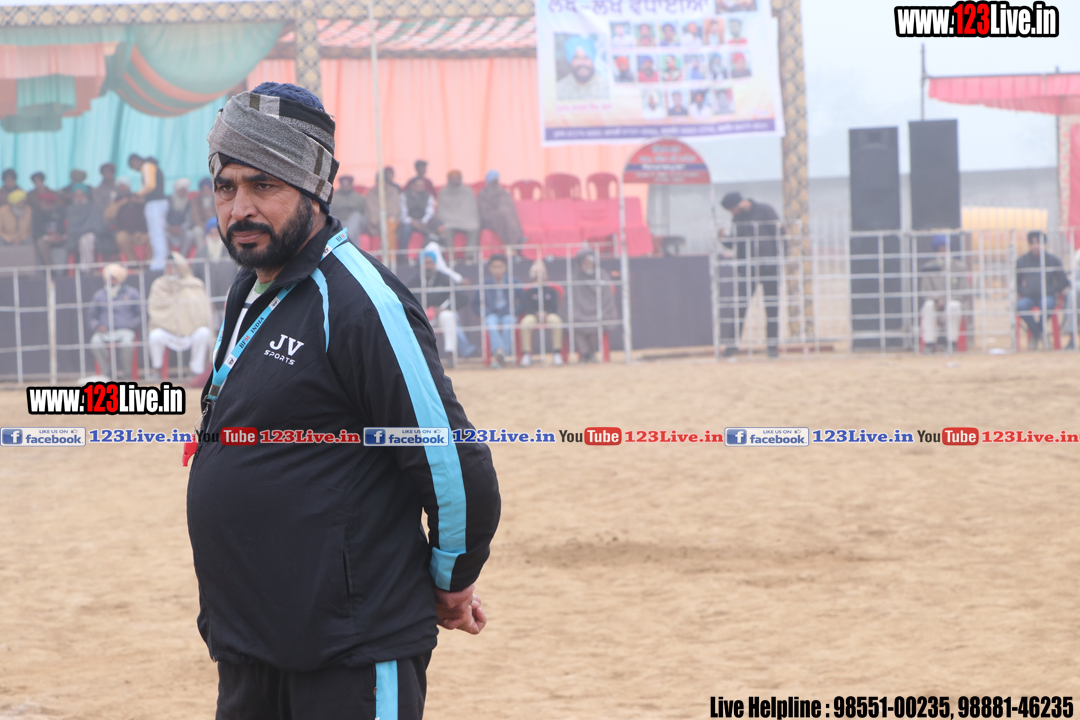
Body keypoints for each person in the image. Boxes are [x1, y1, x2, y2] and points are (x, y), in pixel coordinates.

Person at [192, 82, 499, 719]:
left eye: (264, 185)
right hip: (250, 644)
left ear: (315, 188)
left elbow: (452, 463)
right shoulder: (250, 288)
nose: (240, 208)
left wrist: (452, 582)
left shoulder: (362, 303)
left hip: (349, 651)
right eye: (226, 187)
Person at [720, 191, 781, 358]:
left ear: (738, 204)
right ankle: (732, 346)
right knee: (740, 307)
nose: (732, 213)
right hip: (747, 269)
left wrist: (780, 258)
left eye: (731, 209)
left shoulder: (765, 210)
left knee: (772, 308)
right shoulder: (737, 218)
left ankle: (772, 347)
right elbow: (734, 243)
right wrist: (723, 238)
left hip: (769, 267)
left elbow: (779, 234)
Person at [147, 251, 213, 377]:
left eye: (173, 267)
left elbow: (202, 311)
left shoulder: (194, 285)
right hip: (168, 331)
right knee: (155, 336)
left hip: (191, 331)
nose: (169, 270)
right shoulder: (159, 285)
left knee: (204, 333)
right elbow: (155, 310)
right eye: (167, 266)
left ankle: (196, 371)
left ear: (181, 268)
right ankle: (156, 369)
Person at [407, 242, 474, 364]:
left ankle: (450, 355)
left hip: (440, 315)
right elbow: (406, 300)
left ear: (435, 264)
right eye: (425, 263)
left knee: (448, 316)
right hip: (422, 316)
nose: (428, 266)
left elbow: (462, 298)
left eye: (431, 263)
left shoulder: (443, 278)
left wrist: (445, 308)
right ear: (420, 264)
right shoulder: (414, 281)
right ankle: (421, 359)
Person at [86, 263, 142, 379]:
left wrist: (131, 325)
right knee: (95, 342)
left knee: (127, 344)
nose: (111, 280)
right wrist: (97, 326)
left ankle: (127, 374)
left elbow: (141, 314)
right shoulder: (100, 295)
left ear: (120, 278)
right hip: (105, 331)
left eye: (114, 278)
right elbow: (91, 316)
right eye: (109, 278)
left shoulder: (131, 293)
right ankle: (107, 374)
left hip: (125, 330)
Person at [1016, 230, 1070, 349]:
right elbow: (1016, 283)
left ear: (1043, 244)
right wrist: (1024, 291)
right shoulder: (1022, 261)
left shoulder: (1053, 260)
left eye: (1038, 243)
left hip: (1048, 295)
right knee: (1020, 306)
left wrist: (1051, 290)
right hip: (1029, 296)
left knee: (1047, 304)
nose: (1035, 246)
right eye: (1032, 243)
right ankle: (1039, 334)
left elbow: (1064, 281)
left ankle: (1036, 334)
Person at [918, 235, 969, 353]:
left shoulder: (960, 267)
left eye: (945, 249)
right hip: (936, 303)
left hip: (953, 303)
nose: (943, 252)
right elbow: (925, 291)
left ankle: (951, 343)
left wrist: (946, 300)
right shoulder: (929, 267)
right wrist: (937, 300)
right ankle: (929, 344)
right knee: (928, 306)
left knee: (953, 306)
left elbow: (964, 291)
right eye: (940, 249)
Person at [472, 253, 520, 368]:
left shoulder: (513, 282)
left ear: (505, 267)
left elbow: (523, 301)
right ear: (490, 268)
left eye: (500, 267)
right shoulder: (484, 283)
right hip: (491, 313)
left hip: (508, 313)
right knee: (490, 322)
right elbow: (474, 303)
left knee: (509, 322)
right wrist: (484, 313)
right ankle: (502, 353)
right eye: (495, 267)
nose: (497, 270)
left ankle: (500, 353)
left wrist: (514, 311)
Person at [571, 249, 617, 362]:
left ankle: (591, 353)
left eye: (590, 261)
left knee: (596, 325)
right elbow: (572, 299)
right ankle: (586, 354)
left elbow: (607, 299)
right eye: (584, 262)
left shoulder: (602, 275)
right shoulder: (576, 277)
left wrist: (602, 312)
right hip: (581, 313)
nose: (587, 264)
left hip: (600, 311)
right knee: (575, 324)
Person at [519, 260, 564, 367]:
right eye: (536, 275)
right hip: (533, 315)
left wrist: (546, 313)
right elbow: (527, 307)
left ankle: (557, 353)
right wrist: (536, 313)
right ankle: (526, 354)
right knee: (525, 323)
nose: (538, 278)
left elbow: (554, 306)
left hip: (549, 315)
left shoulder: (552, 290)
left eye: (541, 275)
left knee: (556, 321)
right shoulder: (528, 291)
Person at [128, 153, 169, 270]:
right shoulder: (152, 166)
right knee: (158, 232)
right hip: (158, 203)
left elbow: (150, 185)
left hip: (155, 203)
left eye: (134, 166)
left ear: (136, 161)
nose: (136, 169)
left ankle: (160, 262)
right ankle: (160, 259)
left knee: (156, 233)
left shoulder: (147, 165)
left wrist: (137, 194)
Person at [436, 170, 480, 259]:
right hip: (449, 220)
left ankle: (469, 257)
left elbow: (472, 209)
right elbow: (441, 211)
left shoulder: (468, 191)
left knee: (474, 227)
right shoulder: (443, 192)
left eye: (458, 178)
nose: (456, 180)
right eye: (453, 178)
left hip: (466, 219)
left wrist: (467, 218)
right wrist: (443, 222)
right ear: (449, 179)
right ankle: (451, 256)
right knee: (445, 230)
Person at [105, 178, 149, 260]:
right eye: (120, 186)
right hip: (126, 233)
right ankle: (132, 263)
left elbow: (150, 211)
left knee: (154, 237)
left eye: (124, 185)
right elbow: (107, 216)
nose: (122, 188)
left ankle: (149, 263)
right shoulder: (116, 200)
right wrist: (121, 203)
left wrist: (140, 201)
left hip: (142, 232)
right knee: (121, 238)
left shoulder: (138, 197)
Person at [477, 170, 525, 246]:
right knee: (503, 213)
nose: (495, 182)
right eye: (493, 180)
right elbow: (484, 212)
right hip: (489, 220)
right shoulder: (483, 193)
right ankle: (516, 241)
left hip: (504, 216)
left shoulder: (502, 192)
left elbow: (508, 206)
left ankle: (516, 240)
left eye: (496, 180)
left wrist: (502, 209)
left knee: (507, 212)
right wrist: (499, 211)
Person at [64, 184, 107, 268]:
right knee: (85, 239)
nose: (79, 197)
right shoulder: (70, 209)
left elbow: (98, 225)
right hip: (74, 237)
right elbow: (71, 227)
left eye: (81, 194)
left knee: (87, 238)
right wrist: (81, 232)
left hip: (92, 236)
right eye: (77, 195)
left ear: (85, 195)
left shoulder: (93, 208)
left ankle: (86, 269)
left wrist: (86, 230)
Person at [556, 36, 609, 101]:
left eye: (586, 57)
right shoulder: (559, 88)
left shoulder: (606, 87)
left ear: (593, 60)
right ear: (570, 61)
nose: (582, 62)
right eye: (577, 58)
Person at [28, 172, 65, 265]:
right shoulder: (36, 212)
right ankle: (50, 268)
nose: (44, 204)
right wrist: (47, 237)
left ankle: (66, 269)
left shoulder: (59, 211)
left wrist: (59, 235)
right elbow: (36, 230)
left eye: (47, 203)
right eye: (42, 202)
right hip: (46, 237)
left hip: (59, 237)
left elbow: (65, 226)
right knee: (41, 242)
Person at [398, 176, 442, 251]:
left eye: (422, 185)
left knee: (432, 232)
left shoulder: (428, 196)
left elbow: (430, 212)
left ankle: (428, 251)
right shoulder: (404, 195)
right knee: (405, 230)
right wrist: (412, 221)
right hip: (409, 221)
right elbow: (403, 213)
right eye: (419, 185)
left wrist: (423, 221)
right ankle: (402, 254)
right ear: (412, 186)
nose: (421, 187)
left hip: (424, 221)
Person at [365, 166, 402, 251]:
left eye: (384, 182)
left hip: (391, 223)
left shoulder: (393, 191)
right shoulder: (371, 194)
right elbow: (372, 213)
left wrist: (386, 218)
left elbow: (394, 210)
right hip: (375, 224)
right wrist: (383, 219)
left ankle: (386, 249)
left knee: (391, 222)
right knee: (388, 224)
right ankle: (387, 250)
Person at [165, 178, 200, 257]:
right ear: (177, 190)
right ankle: (169, 257)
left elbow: (188, 221)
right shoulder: (168, 201)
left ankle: (181, 257)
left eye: (184, 190)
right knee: (164, 235)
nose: (183, 192)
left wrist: (181, 228)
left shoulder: (188, 203)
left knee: (189, 235)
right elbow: (163, 218)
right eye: (181, 190)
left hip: (181, 231)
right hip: (169, 230)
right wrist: (169, 227)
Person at [330, 174, 368, 244]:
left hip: (356, 222)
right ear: (341, 185)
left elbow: (364, 212)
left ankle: (348, 237)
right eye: (344, 185)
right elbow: (331, 212)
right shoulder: (334, 198)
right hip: (340, 221)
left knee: (356, 217)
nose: (346, 187)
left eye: (348, 185)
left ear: (351, 185)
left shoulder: (358, 197)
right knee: (334, 219)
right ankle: (348, 239)